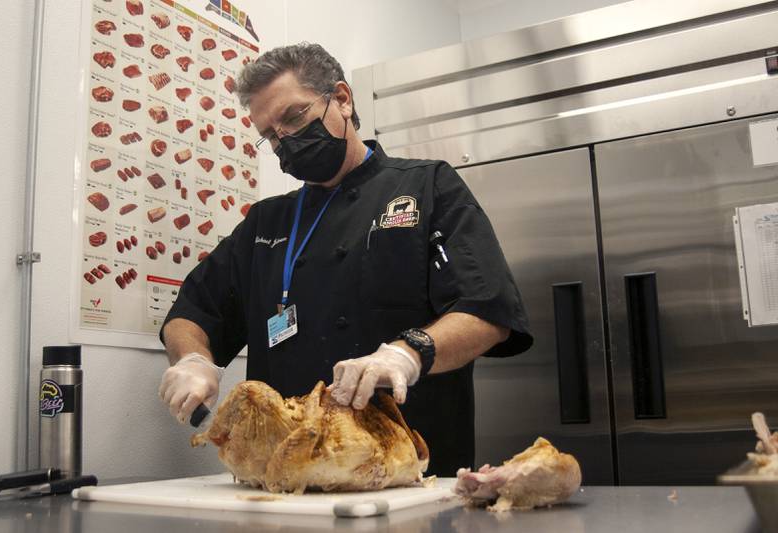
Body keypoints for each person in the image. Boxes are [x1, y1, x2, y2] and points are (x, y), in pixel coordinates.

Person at [158, 42, 533, 476]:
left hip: (409, 473)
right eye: (271, 136)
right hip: (285, 475)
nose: (286, 141)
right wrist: (193, 361)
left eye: (294, 118)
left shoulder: (428, 186)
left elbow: (487, 309)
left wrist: (407, 355)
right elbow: (192, 311)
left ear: (341, 98)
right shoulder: (266, 223)